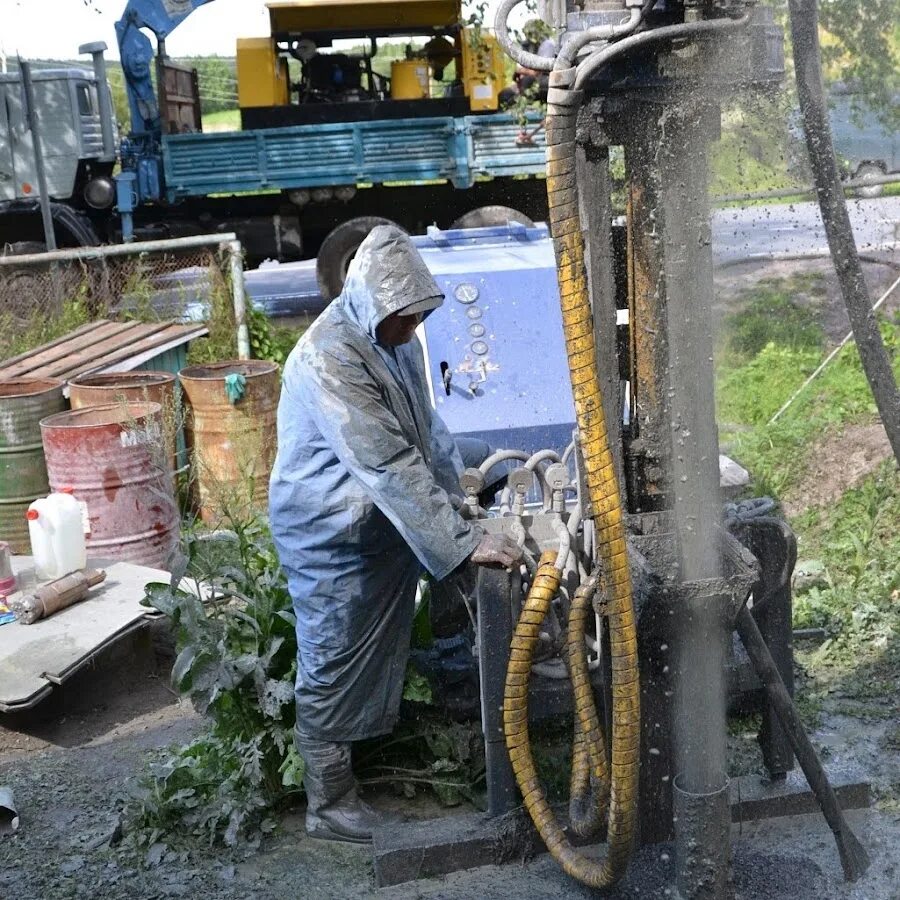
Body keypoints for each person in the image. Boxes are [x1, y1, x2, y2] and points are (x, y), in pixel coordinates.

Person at [269, 225, 522, 844]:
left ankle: (449, 656)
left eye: (416, 318)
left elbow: (427, 433)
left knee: (478, 457)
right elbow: (386, 462)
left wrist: (460, 501)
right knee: (335, 647)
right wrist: (463, 543)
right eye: (402, 320)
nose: (411, 330)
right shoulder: (329, 358)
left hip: (378, 504)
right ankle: (329, 800)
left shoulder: (394, 335)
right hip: (329, 521)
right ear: (368, 300)